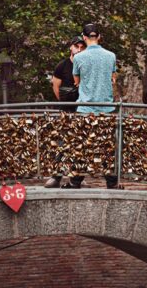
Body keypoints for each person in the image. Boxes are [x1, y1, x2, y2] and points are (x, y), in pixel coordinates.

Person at [70, 23, 121, 189]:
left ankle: (76, 181)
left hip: (85, 108)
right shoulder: (111, 56)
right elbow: (113, 78)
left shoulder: (78, 58)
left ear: (84, 38)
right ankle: (111, 182)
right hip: (106, 108)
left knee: (82, 145)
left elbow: (76, 82)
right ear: (98, 37)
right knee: (107, 145)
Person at [44, 36, 86, 188]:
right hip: (66, 111)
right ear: (71, 47)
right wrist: (64, 102)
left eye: (82, 47)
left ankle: (76, 177)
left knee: (80, 144)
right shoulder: (62, 66)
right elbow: (55, 86)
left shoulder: (85, 65)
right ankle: (56, 177)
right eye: (77, 46)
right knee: (61, 144)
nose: (79, 49)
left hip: (82, 110)